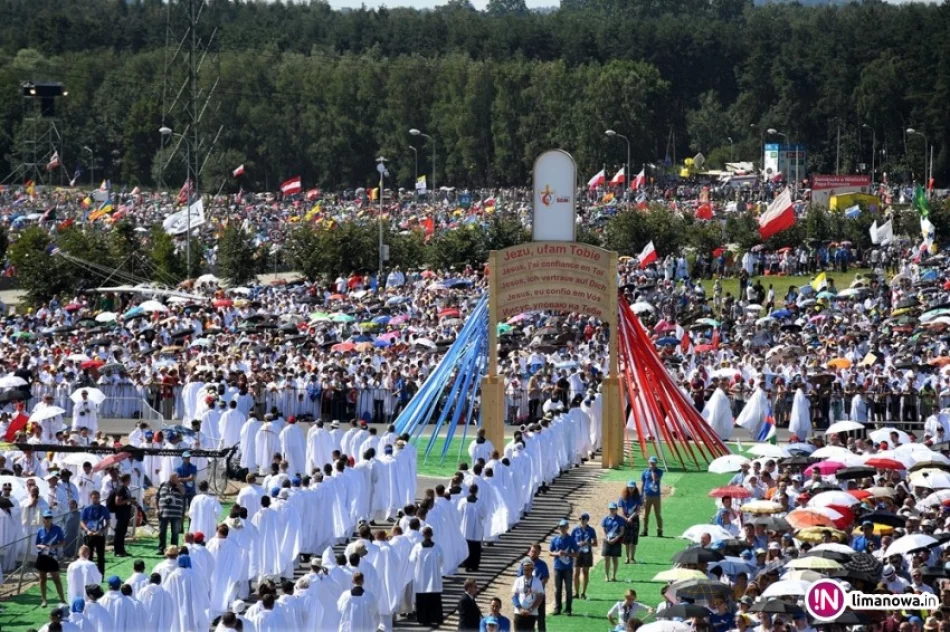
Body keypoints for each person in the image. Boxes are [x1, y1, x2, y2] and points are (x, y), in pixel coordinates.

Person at [409, 525, 445, 627]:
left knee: (422, 599)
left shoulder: (417, 547)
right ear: (431, 535)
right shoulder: (437, 548)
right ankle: (436, 618)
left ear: (423, 535)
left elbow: (412, 560)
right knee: (434, 598)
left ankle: (424, 619)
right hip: (434, 578)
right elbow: (441, 561)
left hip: (421, 578)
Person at [35, 509, 67, 607]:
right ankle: (44, 600)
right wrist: (42, 547)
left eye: (49, 518)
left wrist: (52, 547)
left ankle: (62, 600)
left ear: (52, 519)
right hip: (42, 557)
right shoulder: (40, 530)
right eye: (46, 518)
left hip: (52, 557)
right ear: (43, 519)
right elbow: (37, 544)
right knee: (42, 579)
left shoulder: (57, 529)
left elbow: (62, 542)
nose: (48, 520)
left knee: (56, 579)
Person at [548, 519, 578, 616]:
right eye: (561, 527)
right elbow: (550, 552)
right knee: (558, 589)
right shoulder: (555, 539)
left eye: (564, 527)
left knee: (568, 589)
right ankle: (558, 608)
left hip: (568, 568)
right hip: (558, 567)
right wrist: (557, 553)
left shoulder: (571, 539)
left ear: (567, 528)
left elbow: (577, 554)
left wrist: (567, 554)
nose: (562, 529)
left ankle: (568, 609)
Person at [79, 490, 109, 576]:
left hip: (100, 535)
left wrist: (102, 531)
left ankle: (101, 575)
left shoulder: (104, 509)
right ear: (90, 498)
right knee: (89, 556)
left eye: (97, 498)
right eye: (94, 498)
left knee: (101, 557)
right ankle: (89, 574)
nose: (96, 500)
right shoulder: (86, 509)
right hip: (89, 535)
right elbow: (82, 521)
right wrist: (87, 530)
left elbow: (107, 523)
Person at [155, 473, 185, 555]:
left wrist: (178, 483)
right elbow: (157, 497)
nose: (175, 479)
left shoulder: (180, 485)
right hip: (163, 512)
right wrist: (157, 509)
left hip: (176, 513)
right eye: (174, 478)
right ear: (170, 477)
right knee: (162, 532)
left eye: (176, 478)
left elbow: (183, 492)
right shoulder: (163, 485)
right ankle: (161, 549)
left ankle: (174, 549)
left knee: (175, 532)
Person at [511, 560, 544, 631]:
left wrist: (531, 609)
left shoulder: (537, 581)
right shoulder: (518, 580)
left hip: (531, 613)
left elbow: (540, 597)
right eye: (524, 570)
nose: (526, 572)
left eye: (528, 570)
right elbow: (514, 596)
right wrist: (520, 608)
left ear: (532, 570)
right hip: (518, 612)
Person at [571, 513, 597, 600]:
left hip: (587, 553)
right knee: (576, 573)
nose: (581, 521)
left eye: (583, 519)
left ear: (587, 520)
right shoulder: (575, 530)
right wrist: (577, 544)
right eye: (580, 519)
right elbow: (571, 542)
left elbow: (595, 543)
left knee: (585, 572)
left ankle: (583, 593)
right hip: (578, 552)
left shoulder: (591, 530)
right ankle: (576, 593)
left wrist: (587, 543)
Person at [618, 481, 642, 563]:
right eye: (629, 487)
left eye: (632, 487)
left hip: (634, 519)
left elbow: (638, 510)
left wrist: (631, 517)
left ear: (635, 487)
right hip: (625, 519)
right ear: (627, 487)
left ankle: (632, 557)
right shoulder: (622, 498)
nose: (631, 489)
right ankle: (627, 557)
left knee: (634, 540)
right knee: (626, 540)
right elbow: (621, 510)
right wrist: (626, 518)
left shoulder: (638, 497)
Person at [601, 502, 625, 582]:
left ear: (616, 510)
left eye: (613, 509)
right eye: (610, 509)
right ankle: (607, 576)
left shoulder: (620, 519)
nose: (611, 510)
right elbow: (603, 530)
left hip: (616, 540)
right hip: (607, 540)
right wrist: (606, 538)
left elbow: (622, 531)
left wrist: (616, 538)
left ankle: (614, 576)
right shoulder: (605, 519)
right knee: (606, 559)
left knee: (615, 559)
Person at [111, 473, 133, 557]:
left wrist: (130, 500)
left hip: (126, 513)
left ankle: (122, 550)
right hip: (121, 513)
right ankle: (117, 551)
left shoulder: (126, 488)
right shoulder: (121, 489)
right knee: (119, 532)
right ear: (127, 480)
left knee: (123, 532)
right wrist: (128, 500)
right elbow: (117, 502)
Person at [640, 456, 663, 537]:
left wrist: (652, 470)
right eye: (650, 463)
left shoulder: (659, 471)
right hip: (647, 496)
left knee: (658, 514)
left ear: (656, 463)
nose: (651, 464)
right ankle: (645, 530)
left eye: (653, 463)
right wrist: (641, 494)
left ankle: (659, 530)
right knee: (645, 514)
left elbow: (656, 479)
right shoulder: (645, 472)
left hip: (656, 496)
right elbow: (643, 483)